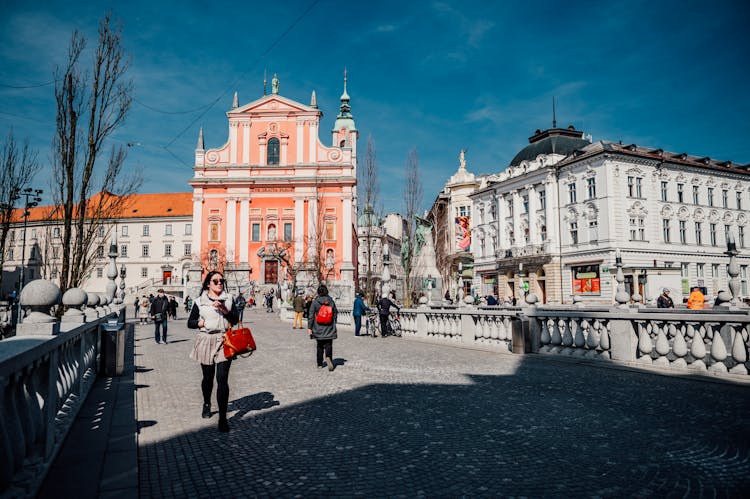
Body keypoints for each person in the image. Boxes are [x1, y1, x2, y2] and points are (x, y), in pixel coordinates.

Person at [187, 271, 239, 433]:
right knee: (208, 378)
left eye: (221, 280)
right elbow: (190, 323)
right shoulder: (199, 301)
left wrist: (224, 308)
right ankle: (207, 402)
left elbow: (235, 320)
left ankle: (222, 418)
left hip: (224, 340)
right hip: (206, 340)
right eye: (215, 281)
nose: (219, 283)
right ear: (208, 284)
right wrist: (200, 323)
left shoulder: (229, 299)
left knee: (222, 379)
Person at [308, 284, 338, 371]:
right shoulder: (331, 301)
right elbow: (335, 312)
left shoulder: (315, 302)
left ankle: (320, 363)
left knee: (319, 346)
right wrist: (334, 322)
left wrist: (310, 328)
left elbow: (311, 316)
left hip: (318, 327)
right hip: (329, 327)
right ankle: (328, 357)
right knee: (329, 345)